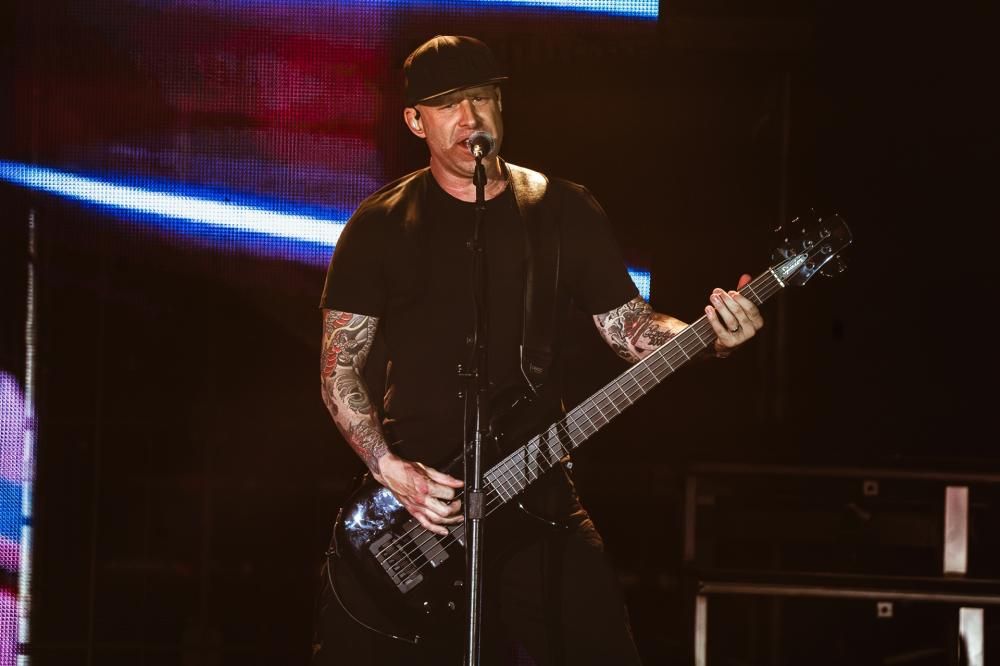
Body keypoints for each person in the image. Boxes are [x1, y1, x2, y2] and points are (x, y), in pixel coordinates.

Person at [312, 35, 763, 666]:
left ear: (500, 106)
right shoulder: (380, 224)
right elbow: (339, 370)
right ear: (415, 121)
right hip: (417, 506)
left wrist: (709, 338)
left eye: (481, 98)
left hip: (537, 487)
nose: (469, 117)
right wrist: (390, 469)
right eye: (447, 104)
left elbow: (629, 329)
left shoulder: (559, 209)